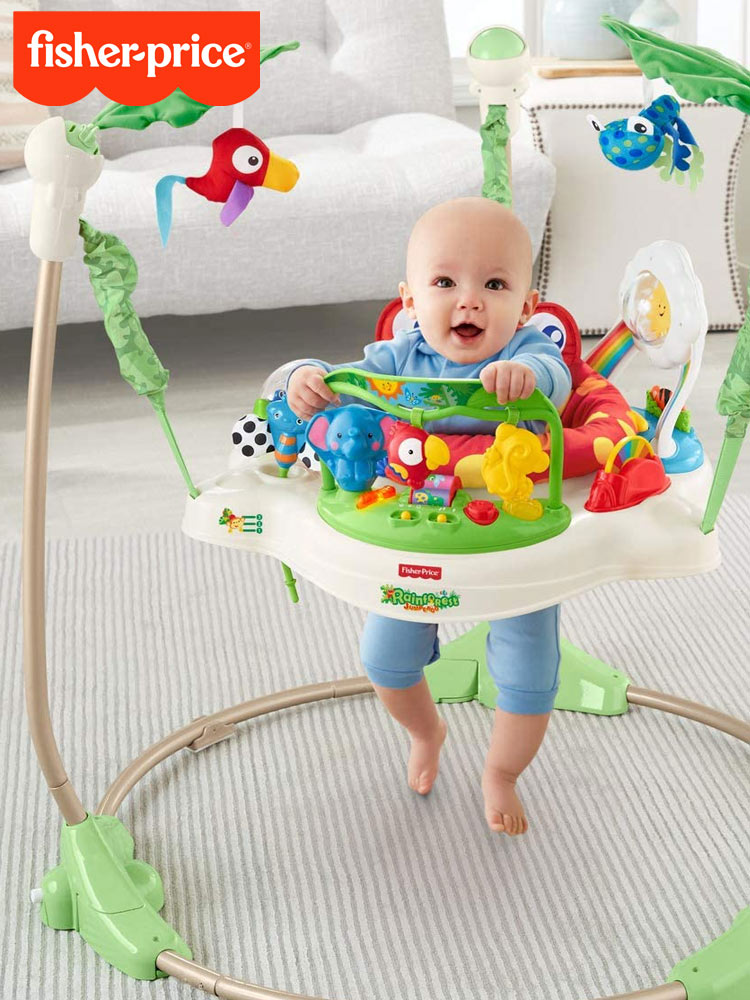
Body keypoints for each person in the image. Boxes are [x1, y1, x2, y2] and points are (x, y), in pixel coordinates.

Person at [287, 197, 571, 836]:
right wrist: (311, 379)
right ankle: (426, 730)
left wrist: (525, 375)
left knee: (529, 673)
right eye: (444, 283)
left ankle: (501, 773)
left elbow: (556, 380)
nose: (469, 301)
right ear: (410, 300)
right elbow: (347, 383)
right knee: (386, 659)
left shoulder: (528, 354)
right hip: (417, 522)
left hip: (511, 530)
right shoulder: (397, 356)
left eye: (494, 285)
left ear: (527, 307)